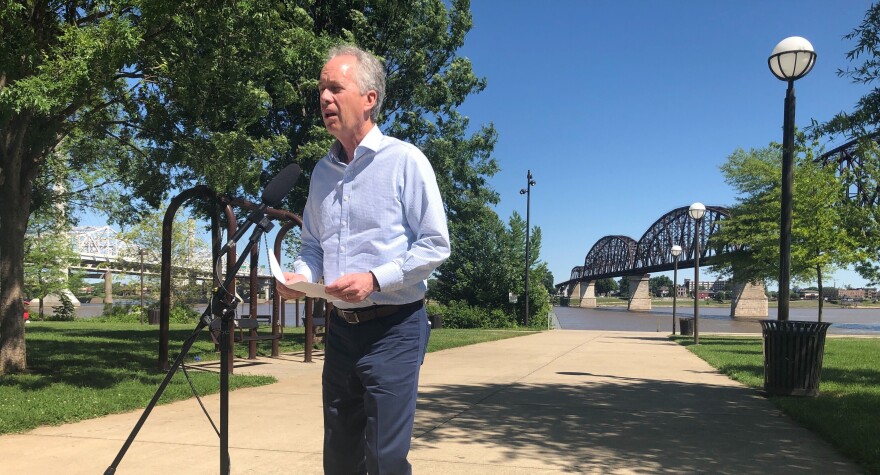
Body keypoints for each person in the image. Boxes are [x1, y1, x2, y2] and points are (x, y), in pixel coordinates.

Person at [276, 44, 450, 474]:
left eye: (336, 87)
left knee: (384, 461)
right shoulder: (321, 172)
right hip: (339, 333)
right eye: (321, 89)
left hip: (395, 328)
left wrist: (374, 278)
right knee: (338, 458)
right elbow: (313, 244)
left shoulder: (405, 161)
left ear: (369, 98)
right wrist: (301, 275)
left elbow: (435, 244)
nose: (324, 98)